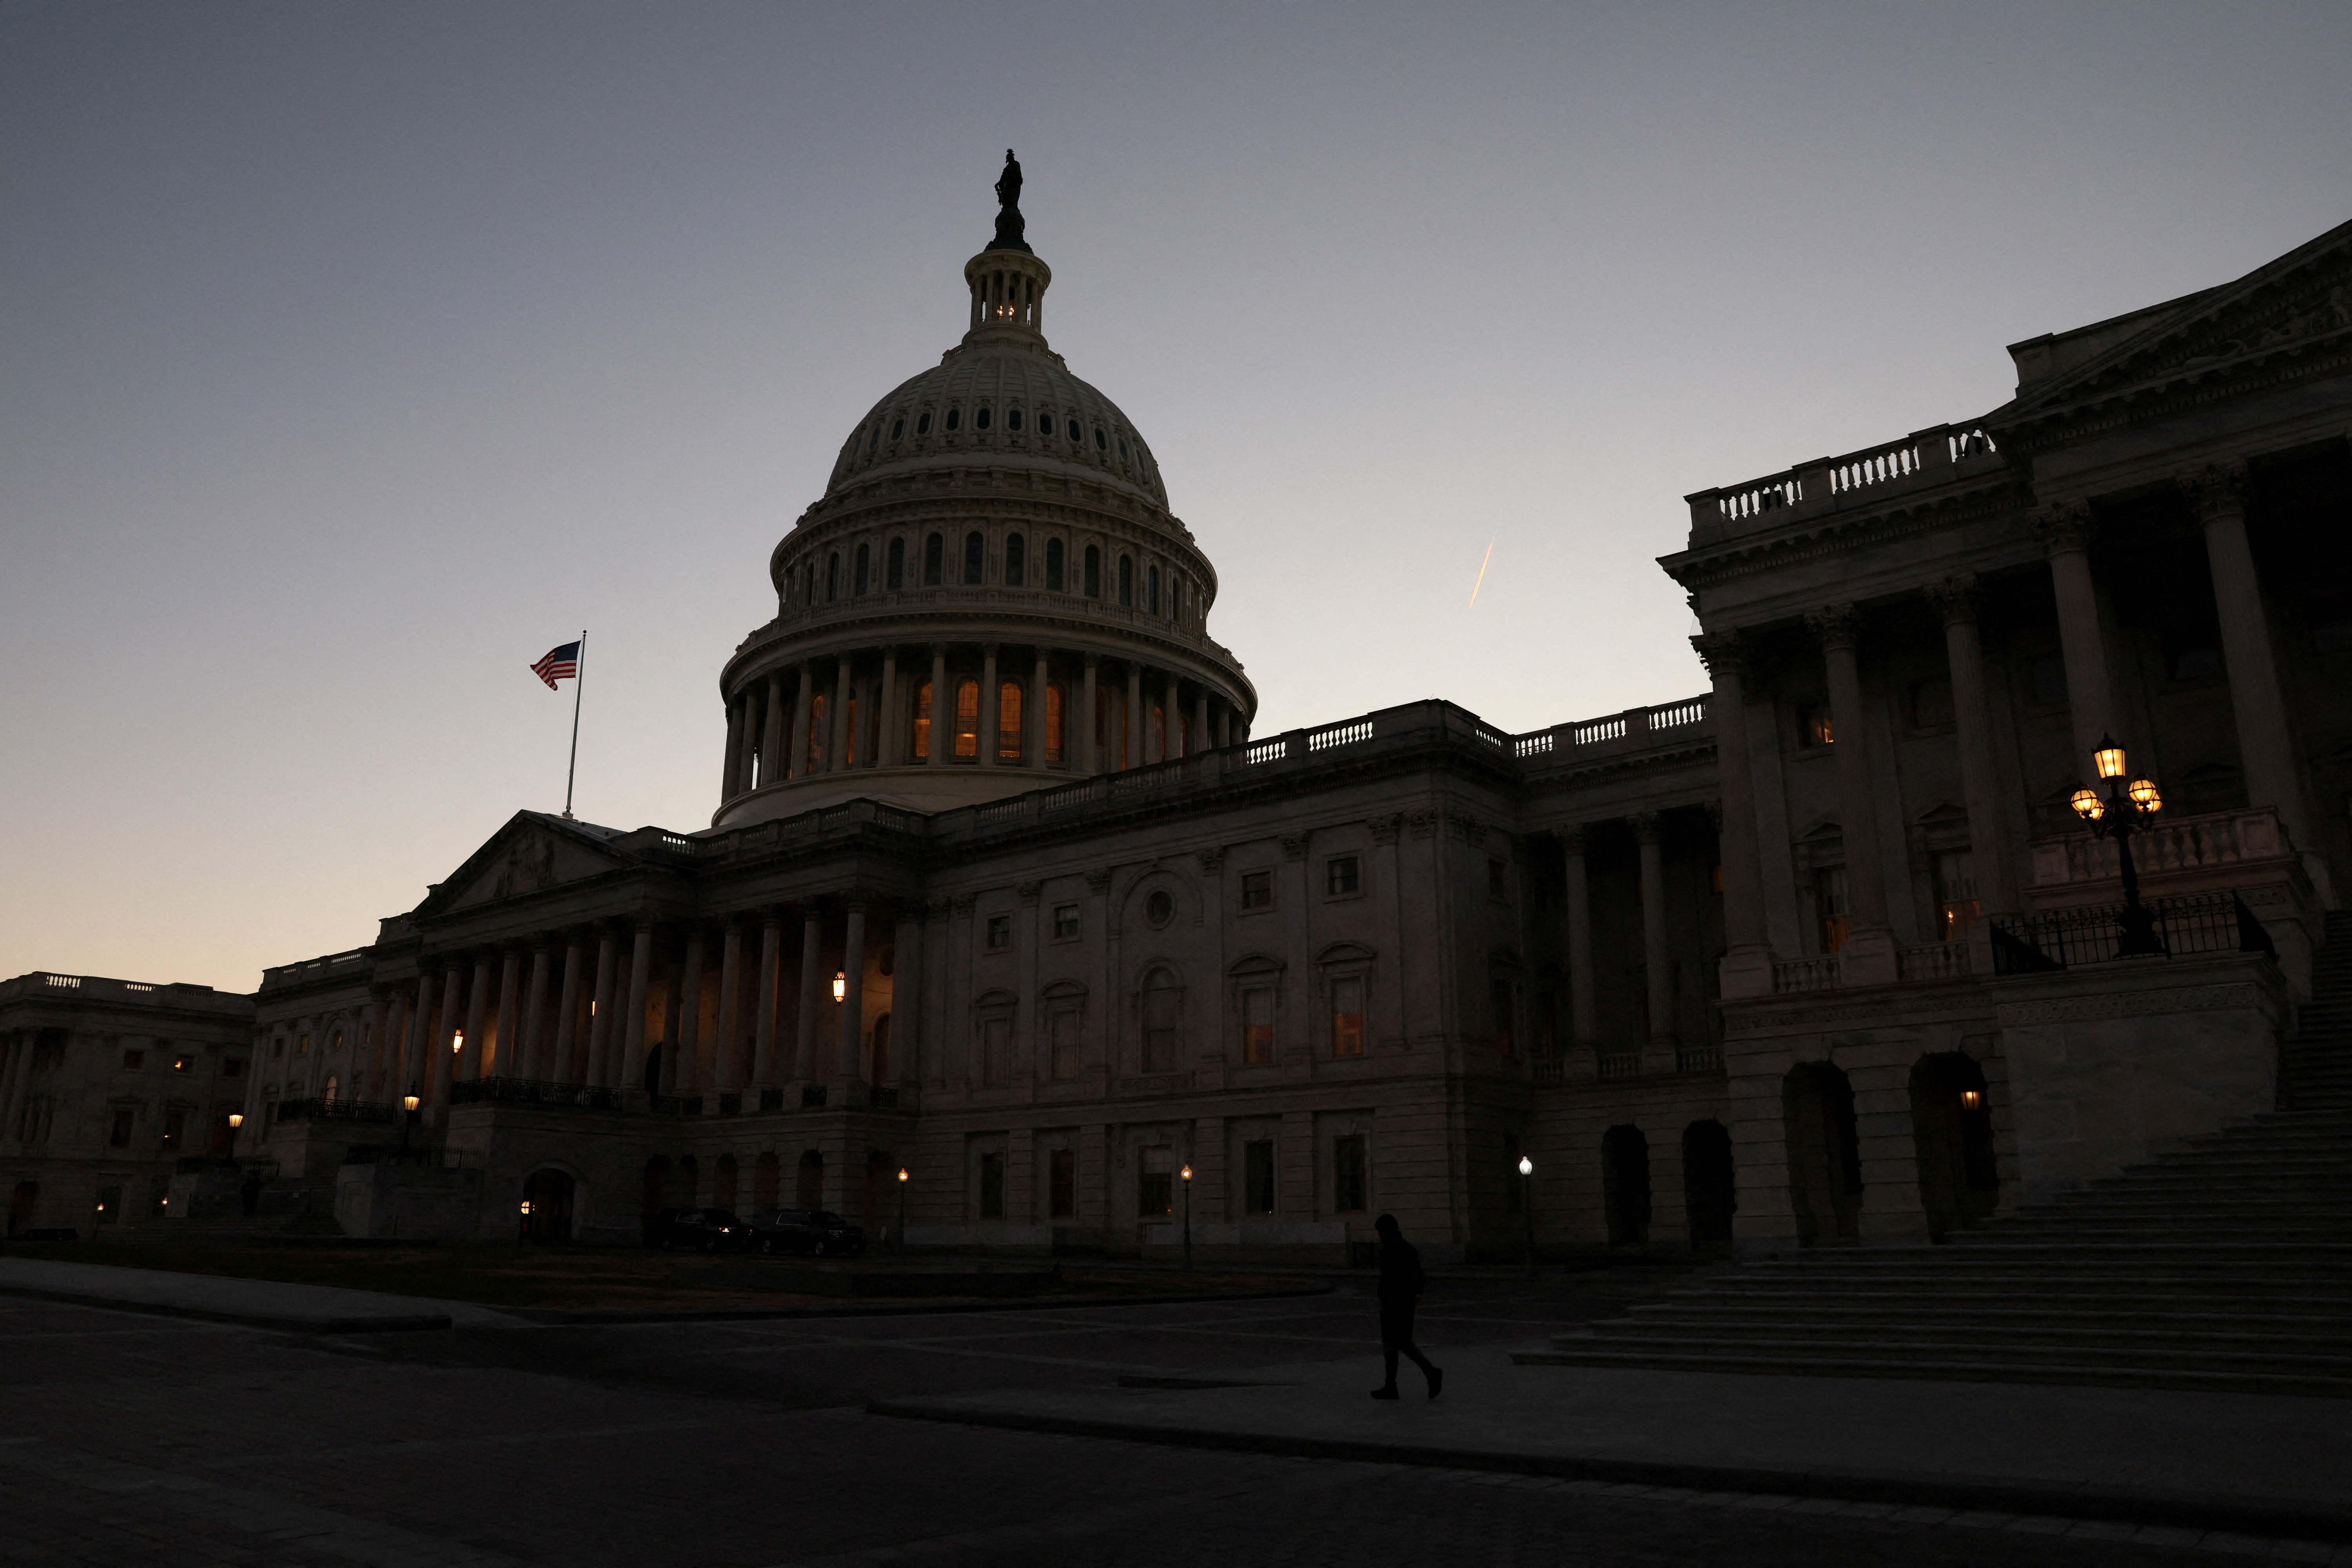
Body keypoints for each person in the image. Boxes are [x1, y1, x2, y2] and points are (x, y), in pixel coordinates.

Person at [1370, 1212, 1442, 1400]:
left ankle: (1400, 1383)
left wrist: (1383, 1296)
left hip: (1393, 1302)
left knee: (1392, 1343)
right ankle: (1397, 1383)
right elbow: (1418, 1272)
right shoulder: (1408, 1247)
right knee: (1402, 1342)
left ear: (1384, 1232)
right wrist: (1417, 1293)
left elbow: (1388, 1277)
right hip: (1407, 1302)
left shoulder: (1387, 1250)